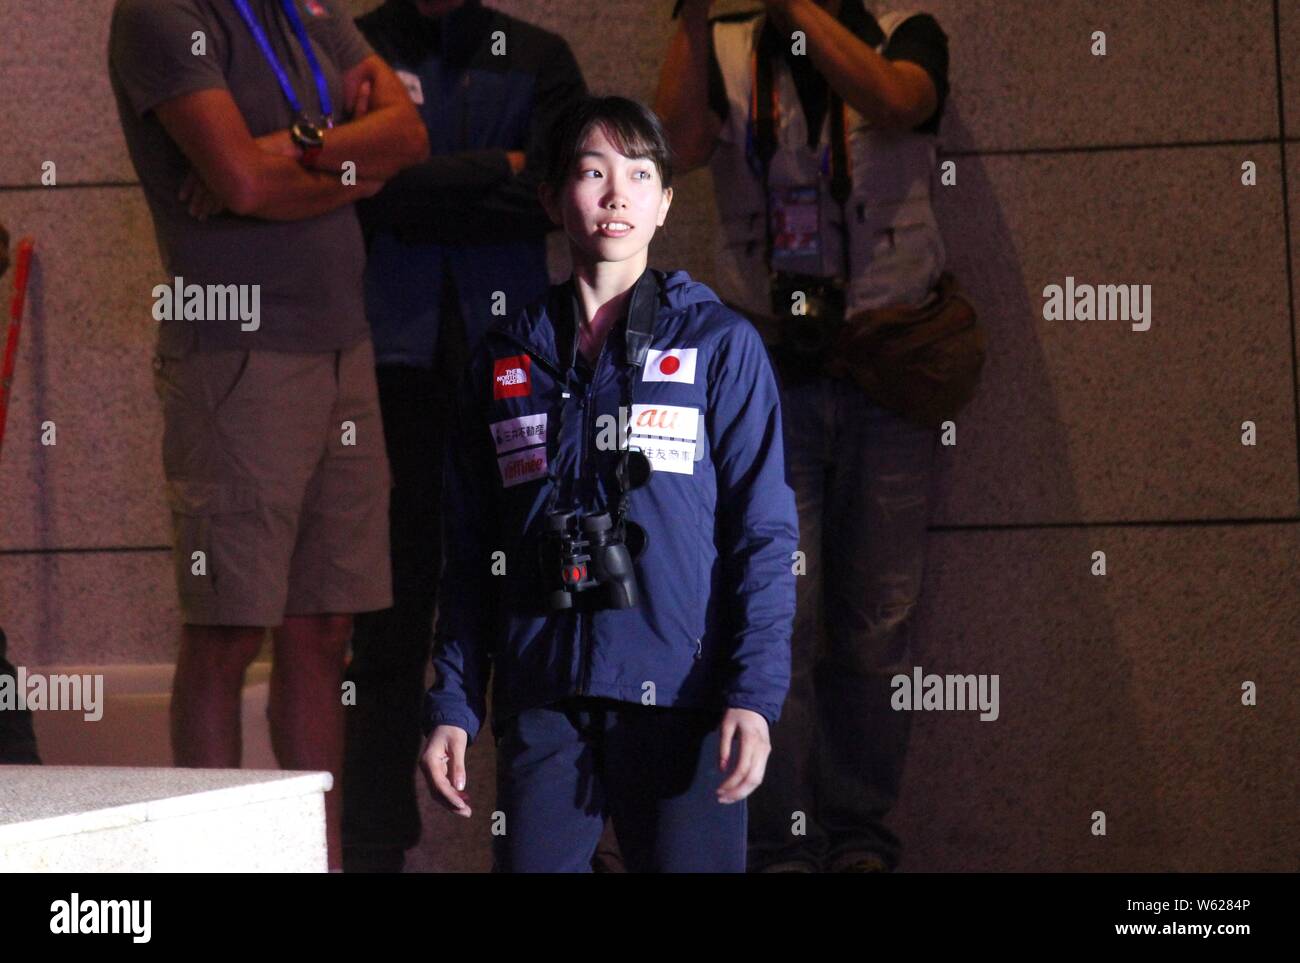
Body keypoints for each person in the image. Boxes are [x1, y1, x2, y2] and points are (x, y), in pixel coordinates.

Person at [419, 95, 798, 872]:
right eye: (593, 172)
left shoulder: (719, 345)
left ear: (665, 203)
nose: (616, 194)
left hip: (683, 697)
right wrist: (454, 702)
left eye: (639, 173)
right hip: (545, 696)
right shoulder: (504, 360)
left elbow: (763, 536)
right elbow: (469, 553)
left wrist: (754, 697)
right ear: (555, 196)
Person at [108, 0, 428, 871]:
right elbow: (239, 186)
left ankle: (313, 860)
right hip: (235, 353)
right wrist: (346, 158)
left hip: (343, 348)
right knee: (225, 629)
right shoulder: (159, 16)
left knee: (323, 629)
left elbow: (407, 135)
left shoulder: (303, 6)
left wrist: (296, 148)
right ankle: (215, 861)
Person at [656, 0, 950, 872]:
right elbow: (676, 144)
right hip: (771, 371)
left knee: (876, 622)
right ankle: (781, 841)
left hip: (886, 366)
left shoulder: (906, 25)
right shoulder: (721, 41)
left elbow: (897, 99)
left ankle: (859, 835)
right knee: (776, 616)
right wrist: (694, 13)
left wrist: (800, 11)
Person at [342, 0, 587, 874]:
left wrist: (410, 179)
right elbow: (353, 195)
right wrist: (496, 174)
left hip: (515, 375)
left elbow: (559, 196)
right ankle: (372, 851)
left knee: (537, 607)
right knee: (387, 624)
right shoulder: (351, 45)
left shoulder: (540, 57)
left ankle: (551, 842)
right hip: (386, 370)